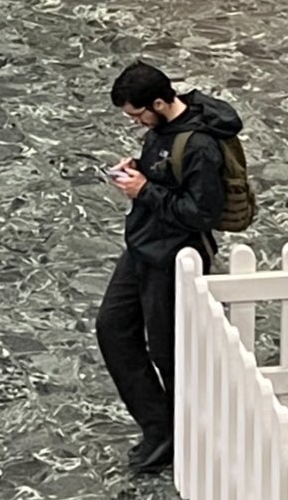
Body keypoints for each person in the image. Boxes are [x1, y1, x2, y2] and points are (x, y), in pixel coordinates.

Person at [97, 60, 239, 475]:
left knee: (167, 351)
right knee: (112, 327)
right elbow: (166, 180)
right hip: (143, 246)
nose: (137, 123)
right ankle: (159, 426)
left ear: (159, 102)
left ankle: (180, 435)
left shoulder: (199, 146)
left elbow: (201, 212)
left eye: (138, 114)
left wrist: (144, 191)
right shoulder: (161, 132)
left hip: (174, 256)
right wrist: (140, 174)